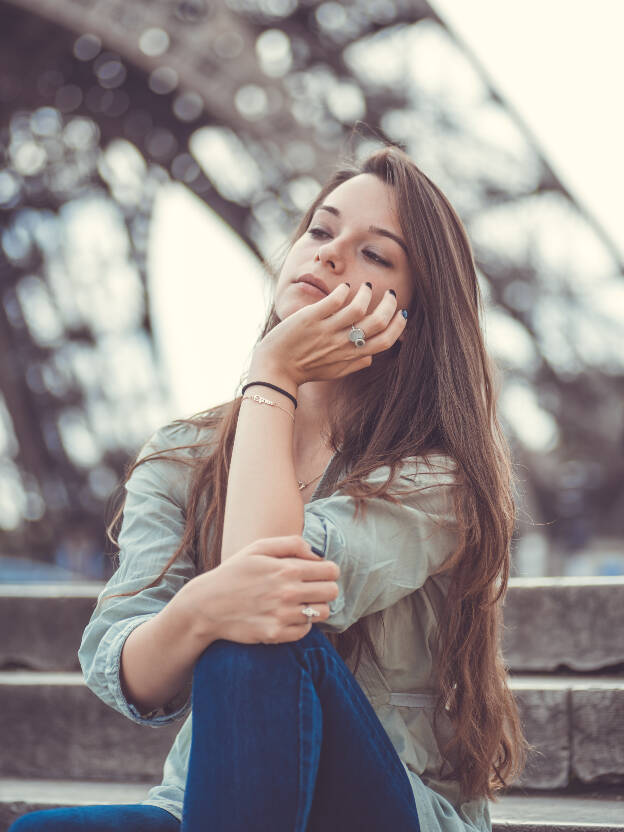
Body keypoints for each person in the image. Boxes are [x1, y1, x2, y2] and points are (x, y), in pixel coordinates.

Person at [9, 146, 527, 832]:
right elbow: (125, 666)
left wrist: (274, 373)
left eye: (376, 254)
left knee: (260, 632)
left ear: (416, 314)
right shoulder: (180, 457)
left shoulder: (438, 480)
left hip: (387, 808)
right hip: (215, 801)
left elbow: (273, 581)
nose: (333, 254)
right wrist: (197, 609)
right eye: (320, 231)